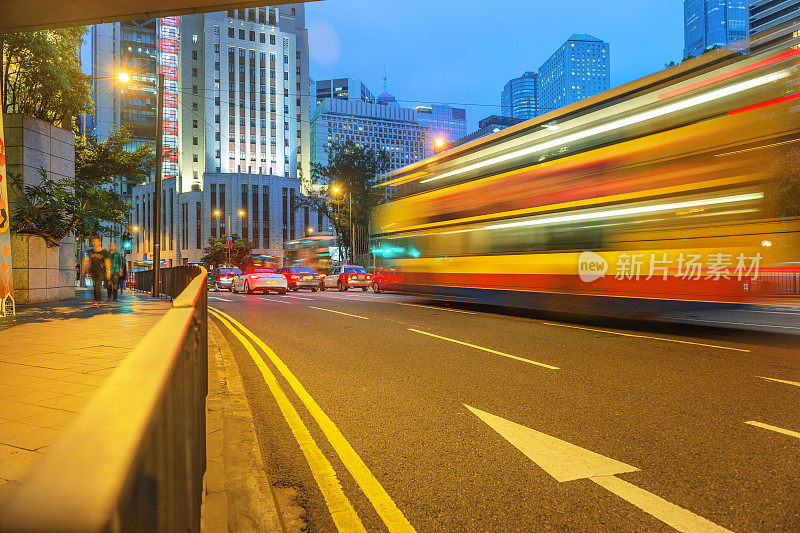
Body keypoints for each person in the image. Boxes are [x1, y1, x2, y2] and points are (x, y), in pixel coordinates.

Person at [84, 235, 110, 307]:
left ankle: (97, 301)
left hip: (101, 271)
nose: (94, 243)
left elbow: (107, 261)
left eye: (95, 241)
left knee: (97, 285)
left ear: (99, 242)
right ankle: (96, 300)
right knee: (95, 286)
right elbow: (87, 260)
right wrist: (86, 268)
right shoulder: (90, 252)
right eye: (93, 241)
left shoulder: (104, 252)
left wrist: (108, 271)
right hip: (93, 271)